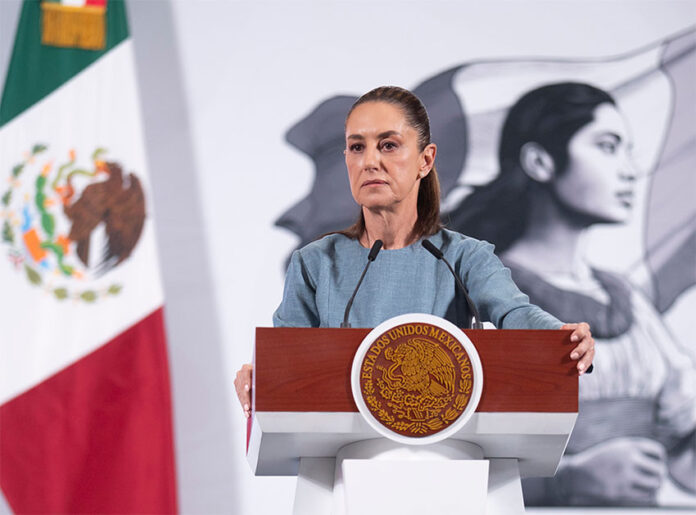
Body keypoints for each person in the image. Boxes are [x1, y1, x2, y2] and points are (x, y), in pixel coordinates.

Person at [234, 85, 595, 433]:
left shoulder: (464, 256)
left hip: (451, 463)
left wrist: (557, 336)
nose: (370, 161)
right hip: (343, 470)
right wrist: (261, 375)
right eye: (356, 147)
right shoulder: (314, 264)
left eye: (388, 145)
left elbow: (515, 313)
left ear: (425, 160)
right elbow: (287, 359)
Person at [449, 82, 696, 505]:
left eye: (627, 149)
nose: (630, 170)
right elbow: (438, 456)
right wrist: (565, 481)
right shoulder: (474, 293)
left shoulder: (627, 297)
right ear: (540, 161)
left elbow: (682, 450)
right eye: (607, 146)